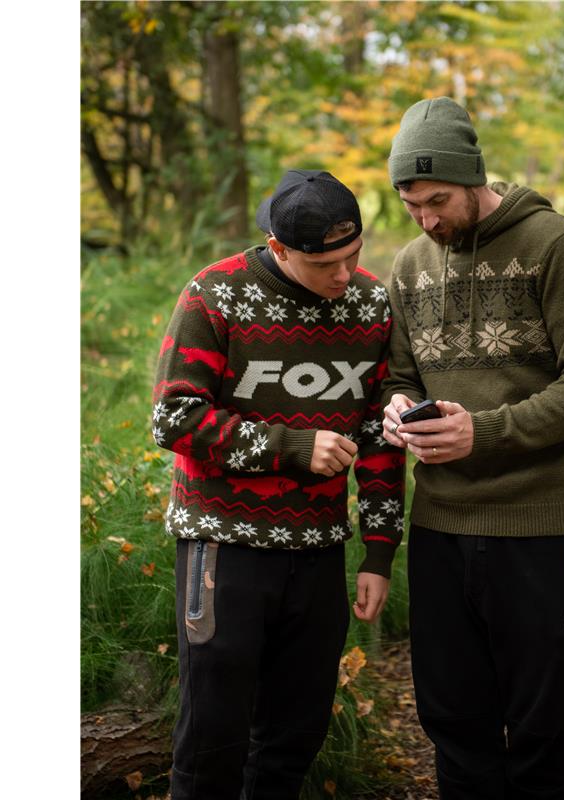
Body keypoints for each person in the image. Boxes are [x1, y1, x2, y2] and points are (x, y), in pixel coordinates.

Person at [381, 97, 564, 799]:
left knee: (544, 733)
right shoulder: (409, 266)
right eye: (411, 204)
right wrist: (397, 407)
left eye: (438, 201)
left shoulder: (553, 244)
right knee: (455, 726)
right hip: (441, 527)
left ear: (474, 176)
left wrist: (482, 432)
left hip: (541, 524)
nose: (427, 219)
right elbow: (400, 374)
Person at [152, 168, 405, 800]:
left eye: (353, 256)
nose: (343, 275)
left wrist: (379, 552)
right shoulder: (217, 294)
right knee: (211, 743)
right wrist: (290, 446)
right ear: (279, 249)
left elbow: (378, 437)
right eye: (325, 265)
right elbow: (174, 418)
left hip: (318, 553)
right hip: (223, 544)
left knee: (293, 742)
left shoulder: (371, 304)